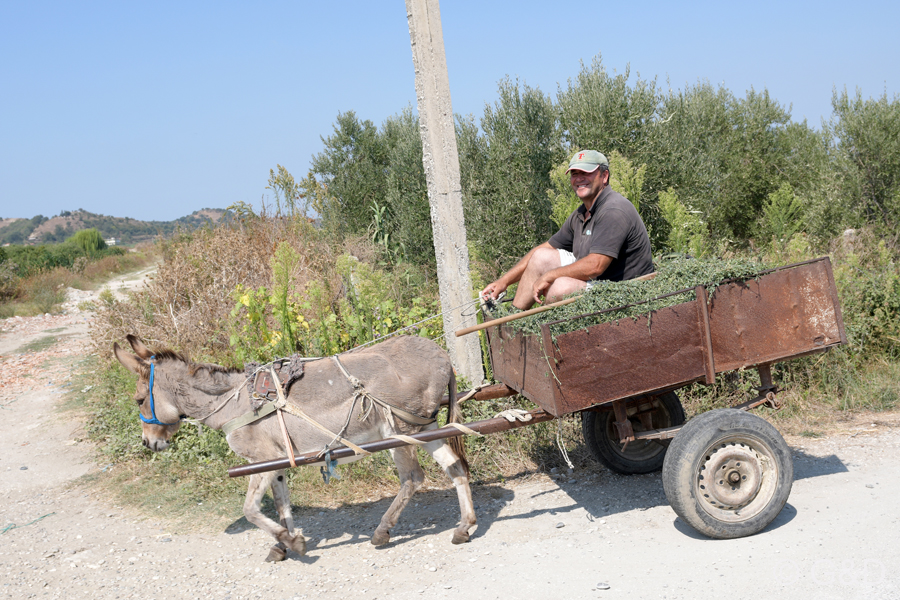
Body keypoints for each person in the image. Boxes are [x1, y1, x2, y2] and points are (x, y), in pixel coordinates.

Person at [481, 149, 653, 310]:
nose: (579, 178)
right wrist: (504, 281)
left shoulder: (614, 210)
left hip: (627, 293)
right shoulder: (581, 214)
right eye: (574, 174)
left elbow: (595, 266)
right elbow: (545, 249)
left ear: (604, 176)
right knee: (540, 257)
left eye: (586, 173)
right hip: (601, 283)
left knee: (560, 287)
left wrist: (550, 276)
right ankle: (513, 321)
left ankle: (549, 334)